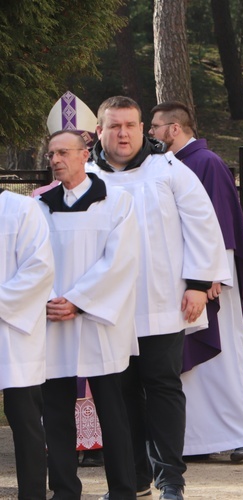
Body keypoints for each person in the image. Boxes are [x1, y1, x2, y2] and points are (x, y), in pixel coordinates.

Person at [90, 96, 230, 500]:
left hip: (163, 302)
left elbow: (203, 224)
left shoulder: (169, 170)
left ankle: (171, 480)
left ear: (141, 128)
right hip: (107, 307)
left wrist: (198, 284)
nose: (123, 133)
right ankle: (132, 479)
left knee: (164, 388)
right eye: (114, 126)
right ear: (100, 131)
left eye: (131, 125)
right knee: (120, 393)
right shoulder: (86, 176)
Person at [149, 101, 243, 462]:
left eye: (154, 127)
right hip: (188, 278)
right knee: (191, 363)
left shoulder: (206, 162)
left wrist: (213, 273)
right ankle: (198, 441)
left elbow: (220, 221)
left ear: (174, 129)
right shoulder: (171, 165)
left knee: (224, 354)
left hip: (211, 281)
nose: (150, 133)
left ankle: (242, 433)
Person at [37, 130, 140, 499]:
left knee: (113, 409)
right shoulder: (40, 206)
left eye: (63, 152)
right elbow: (31, 260)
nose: (55, 160)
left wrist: (79, 300)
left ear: (84, 155)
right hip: (53, 320)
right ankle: (64, 490)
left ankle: (124, 490)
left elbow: (122, 260)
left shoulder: (117, 202)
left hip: (98, 320)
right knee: (57, 410)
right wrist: (49, 299)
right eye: (51, 154)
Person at [0, 188, 55, 500]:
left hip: (15, 333)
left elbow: (39, 269)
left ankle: (32, 494)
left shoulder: (22, 208)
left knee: (25, 418)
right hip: (14, 324)